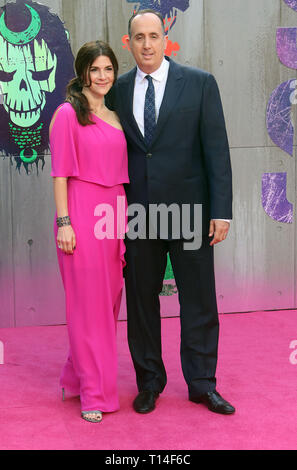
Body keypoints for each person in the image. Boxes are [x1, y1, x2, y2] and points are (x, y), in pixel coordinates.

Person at [106, 9, 235, 415]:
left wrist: (222, 211)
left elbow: (217, 151)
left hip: (191, 215)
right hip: (138, 216)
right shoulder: (117, 90)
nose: (147, 44)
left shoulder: (199, 84)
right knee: (142, 303)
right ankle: (149, 383)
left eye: (154, 36)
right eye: (138, 37)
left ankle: (201, 383)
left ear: (166, 38)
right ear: (129, 43)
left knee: (199, 301)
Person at [49, 41, 129, 423]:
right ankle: (94, 395)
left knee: (108, 305)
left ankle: (74, 377)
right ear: (82, 72)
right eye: (95, 69)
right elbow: (60, 174)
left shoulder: (115, 115)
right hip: (80, 215)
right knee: (87, 309)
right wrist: (64, 223)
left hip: (113, 217)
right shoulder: (68, 114)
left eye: (108, 69)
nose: (103, 76)